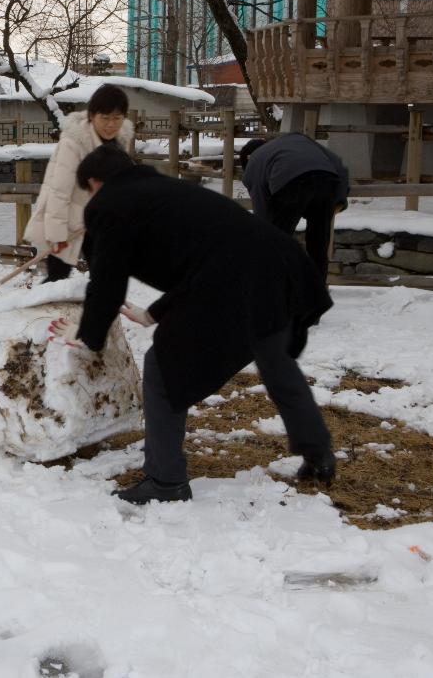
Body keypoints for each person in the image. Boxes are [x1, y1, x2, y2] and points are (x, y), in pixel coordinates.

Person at [54, 146, 336, 504]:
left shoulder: (110, 203)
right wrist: (151, 314)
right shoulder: (168, 193)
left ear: (95, 183)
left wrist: (88, 336)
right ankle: (318, 455)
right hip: (281, 266)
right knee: (275, 359)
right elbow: (206, 257)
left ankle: (165, 481)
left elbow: (107, 283)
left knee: (162, 367)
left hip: (235, 279)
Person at [23, 83, 135, 282]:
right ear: (92, 116)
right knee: (58, 276)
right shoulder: (73, 143)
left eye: (117, 118)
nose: (111, 125)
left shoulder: (120, 142)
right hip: (68, 220)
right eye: (105, 118)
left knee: (105, 275)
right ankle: (44, 311)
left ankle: (100, 310)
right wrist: (56, 235)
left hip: (97, 221)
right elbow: (59, 191)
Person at [239, 134, 349, 281]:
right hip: (327, 180)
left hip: (291, 182)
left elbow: (262, 206)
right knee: (318, 244)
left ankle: (275, 290)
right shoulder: (298, 139)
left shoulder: (255, 161)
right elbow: (338, 163)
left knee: (277, 242)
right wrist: (340, 198)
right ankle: (316, 294)